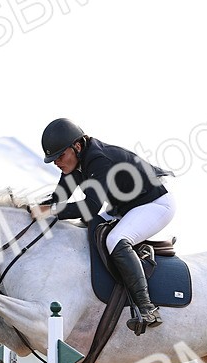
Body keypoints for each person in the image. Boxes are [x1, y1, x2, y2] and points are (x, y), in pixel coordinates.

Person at [30, 118, 175, 334]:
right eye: (53, 159)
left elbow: (90, 207)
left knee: (116, 240)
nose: (57, 163)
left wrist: (49, 211)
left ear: (77, 146)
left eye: (60, 156)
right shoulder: (76, 162)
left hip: (154, 204)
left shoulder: (98, 160)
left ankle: (147, 308)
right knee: (80, 230)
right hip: (126, 208)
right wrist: (29, 207)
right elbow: (59, 199)